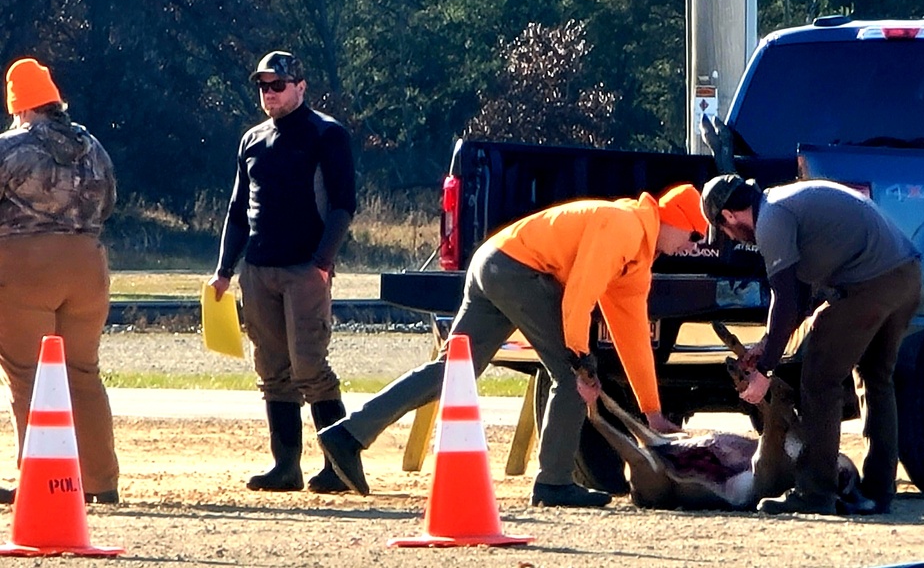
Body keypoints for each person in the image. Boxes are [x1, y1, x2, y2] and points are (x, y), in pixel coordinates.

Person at [319, 184, 709, 507]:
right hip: (518, 271)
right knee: (574, 380)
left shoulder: (637, 261)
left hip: (491, 262)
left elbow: (633, 333)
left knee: (453, 371)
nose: (693, 247)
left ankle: (347, 435)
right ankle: (554, 482)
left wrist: (653, 413)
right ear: (673, 219)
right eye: (694, 236)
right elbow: (580, 294)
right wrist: (578, 357)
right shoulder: (624, 227)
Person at [699, 174, 922, 515]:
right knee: (876, 378)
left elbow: (785, 299)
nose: (731, 237)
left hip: (870, 283)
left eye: (725, 230)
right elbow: (801, 296)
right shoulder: (782, 202)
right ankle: (878, 492)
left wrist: (764, 371)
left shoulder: (770, 220)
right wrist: (767, 344)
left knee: (820, 379)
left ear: (728, 216)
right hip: (907, 275)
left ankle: (816, 494)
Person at [208, 51, 356, 494]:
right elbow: (238, 210)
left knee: (310, 367)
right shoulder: (252, 138)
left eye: (278, 85)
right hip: (258, 269)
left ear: (300, 86)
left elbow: (343, 206)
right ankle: (285, 467)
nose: (269, 94)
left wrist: (322, 264)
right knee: (272, 370)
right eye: (263, 87)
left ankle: (339, 467)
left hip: (304, 269)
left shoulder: (326, 134)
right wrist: (223, 271)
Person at [0, 58, 120, 504]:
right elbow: (109, 203)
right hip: (88, 266)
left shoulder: (10, 147)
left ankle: (40, 482)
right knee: (82, 372)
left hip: (23, 267)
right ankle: (101, 482)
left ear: (22, 107)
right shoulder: (93, 147)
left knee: (28, 376)